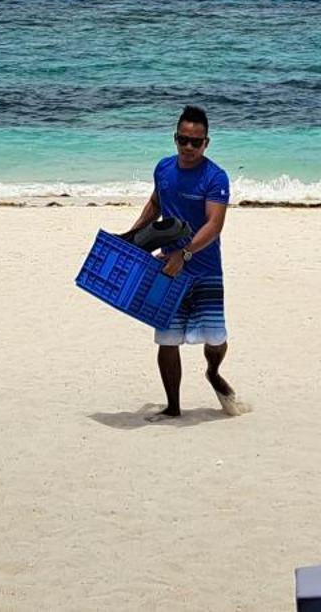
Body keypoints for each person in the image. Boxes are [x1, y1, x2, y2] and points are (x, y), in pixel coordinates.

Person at [120, 105, 245, 419]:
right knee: (166, 338)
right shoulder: (163, 169)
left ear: (206, 143)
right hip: (167, 268)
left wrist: (185, 254)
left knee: (216, 339)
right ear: (175, 138)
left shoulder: (215, 177)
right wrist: (132, 237)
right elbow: (155, 204)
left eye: (196, 142)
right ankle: (173, 407)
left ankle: (213, 372)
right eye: (182, 140)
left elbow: (213, 225)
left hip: (204, 269)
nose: (188, 147)